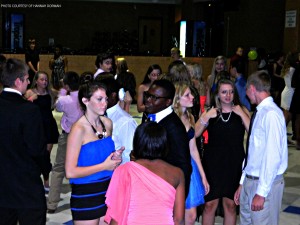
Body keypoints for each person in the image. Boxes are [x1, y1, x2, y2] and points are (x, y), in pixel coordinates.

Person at [0, 58, 51, 224]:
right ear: (18, 81)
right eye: (27, 79)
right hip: (26, 188)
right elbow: (37, 150)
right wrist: (45, 169)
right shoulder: (29, 111)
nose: (29, 82)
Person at [234, 71, 288, 225]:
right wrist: (243, 182)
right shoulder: (260, 112)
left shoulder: (271, 114)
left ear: (251, 88)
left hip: (264, 184)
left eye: (246, 91)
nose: (246, 95)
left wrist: (261, 193)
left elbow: (272, 157)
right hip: (251, 181)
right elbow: (253, 153)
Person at [105, 121, 185, 225]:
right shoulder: (177, 173)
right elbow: (179, 219)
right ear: (164, 144)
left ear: (137, 143)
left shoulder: (124, 170)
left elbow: (117, 216)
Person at [65, 81, 122, 224]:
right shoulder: (78, 130)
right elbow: (70, 172)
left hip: (108, 191)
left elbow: (99, 155)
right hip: (86, 195)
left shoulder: (107, 124)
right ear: (85, 101)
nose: (104, 103)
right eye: (99, 99)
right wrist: (104, 166)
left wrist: (115, 158)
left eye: (106, 99)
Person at [195, 79, 250, 225]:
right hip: (213, 164)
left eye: (231, 92)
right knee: (209, 205)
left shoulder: (241, 110)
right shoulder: (211, 111)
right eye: (224, 92)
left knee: (231, 205)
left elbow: (254, 134)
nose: (228, 95)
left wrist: (242, 114)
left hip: (234, 163)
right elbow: (194, 134)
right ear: (217, 94)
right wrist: (206, 117)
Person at [144, 79, 192, 197]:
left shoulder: (174, 127)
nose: (148, 101)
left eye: (154, 98)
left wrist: (179, 199)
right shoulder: (150, 116)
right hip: (149, 186)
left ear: (168, 102)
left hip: (165, 191)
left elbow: (183, 165)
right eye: (148, 95)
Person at [173, 83, 209, 225]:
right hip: (175, 166)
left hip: (191, 167)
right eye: (187, 95)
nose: (192, 97)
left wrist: (203, 175)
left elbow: (193, 148)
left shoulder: (190, 117)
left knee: (191, 215)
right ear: (177, 99)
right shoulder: (171, 119)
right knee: (177, 214)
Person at [47, 71, 83, 214]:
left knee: (58, 169)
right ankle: (79, 199)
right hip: (82, 137)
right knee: (80, 167)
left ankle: (52, 203)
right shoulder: (84, 97)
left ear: (67, 85)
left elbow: (57, 106)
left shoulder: (64, 100)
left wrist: (62, 92)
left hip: (68, 135)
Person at [25, 71, 59, 191]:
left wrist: (56, 103)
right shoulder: (30, 92)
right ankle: (34, 179)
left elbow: (63, 94)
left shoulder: (50, 92)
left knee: (46, 156)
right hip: (36, 127)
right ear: (36, 80)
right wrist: (30, 99)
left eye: (46, 79)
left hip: (48, 125)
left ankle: (46, 182)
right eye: (42, 79)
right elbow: (22, 107)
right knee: (36, 155)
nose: (44, 82)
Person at [97, 75, 137, 164]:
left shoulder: (125, 121)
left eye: (100, 97)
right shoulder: (95, 115)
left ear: (113, 95)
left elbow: (128, 156)